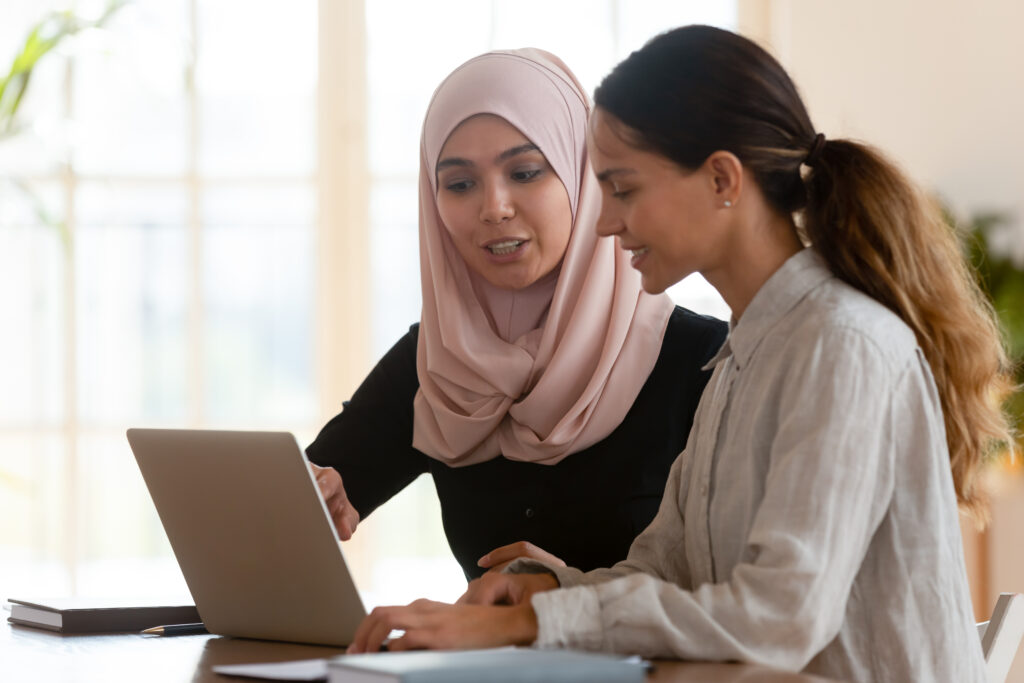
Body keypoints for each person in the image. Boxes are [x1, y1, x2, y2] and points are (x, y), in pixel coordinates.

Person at [346, 26, 1017, 682]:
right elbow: (665, 567)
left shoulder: (841, 345)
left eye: (624, 188)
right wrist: (546, 592)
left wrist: (527, 625)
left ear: (723, 178)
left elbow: (781, 615)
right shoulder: (741, 357)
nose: (604, 221)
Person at [306, 48, 726, 581]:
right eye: (459, 184)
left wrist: (567, 598)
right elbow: (312, 489)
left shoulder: (705, 363)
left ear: (585, 177)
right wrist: (309, 494)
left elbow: (741, 593)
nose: (494, 207)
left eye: (526, 172)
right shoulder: (437, 360)